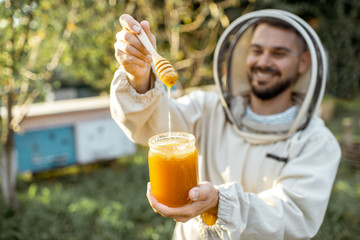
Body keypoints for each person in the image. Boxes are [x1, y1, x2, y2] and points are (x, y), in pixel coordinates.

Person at [110, 9, 341, 240]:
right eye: (257, 50)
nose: (263, 62)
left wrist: (219, 204)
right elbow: (151, 128)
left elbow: (293, 217)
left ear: (303, 62)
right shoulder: (208, 109)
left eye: (278, 53)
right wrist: (138, 77)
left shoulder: (317, 143)